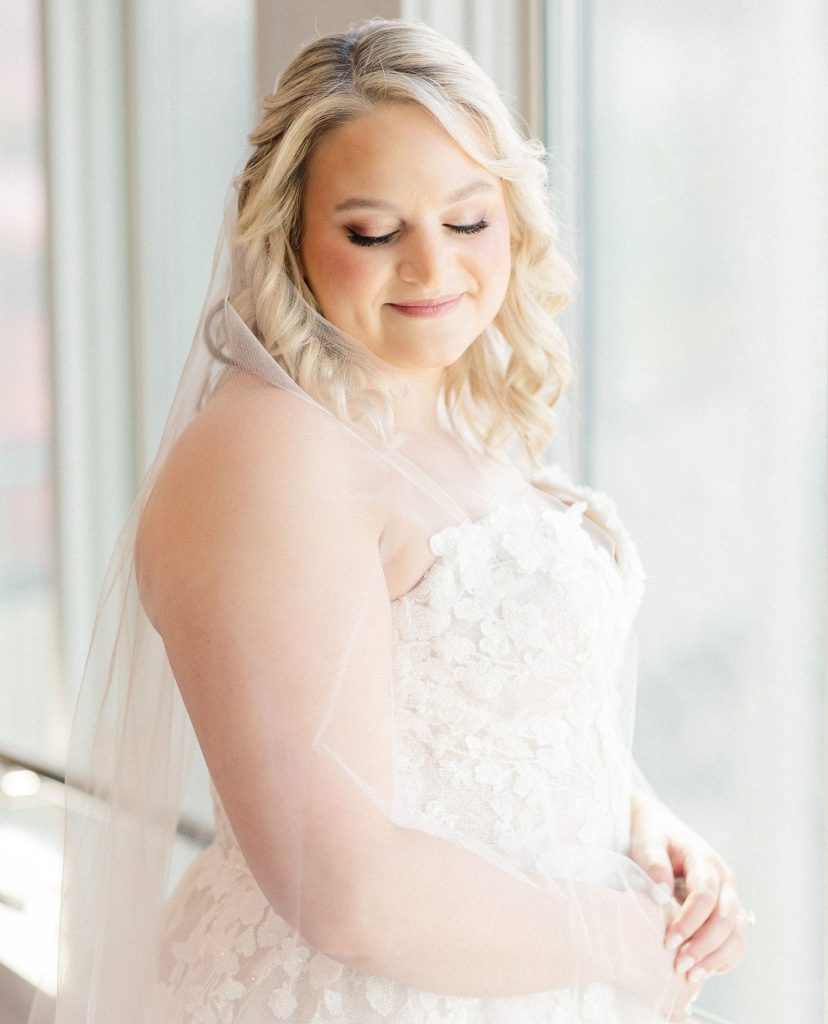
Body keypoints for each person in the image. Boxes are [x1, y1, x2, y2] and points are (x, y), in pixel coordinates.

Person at [25, 16, 753, 1024]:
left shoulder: (448, 403)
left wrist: (639, 825)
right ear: (289, 233)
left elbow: (473, 715)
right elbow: (343, 888)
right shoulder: (268, 456)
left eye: (469, 222)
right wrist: (632, 939)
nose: (432, 269)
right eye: (374, 232)